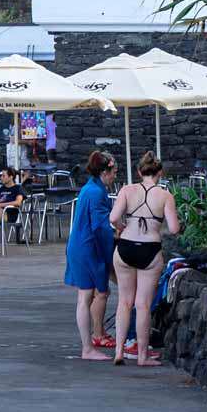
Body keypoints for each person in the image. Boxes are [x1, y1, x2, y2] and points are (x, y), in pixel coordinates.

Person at [109, 152, 181, 367]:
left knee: (124, 302)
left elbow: (113, 218)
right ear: (160, 173)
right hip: (150, 249)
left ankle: (119, 352)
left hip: (125, 247)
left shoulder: (127, 190)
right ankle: (142, 356)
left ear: (139, 172)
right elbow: (174, 228)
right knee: (143, 305)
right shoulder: (166, 195)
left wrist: (123, 227)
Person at [65, 150, 119, 360]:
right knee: (86, 296)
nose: (115, 175)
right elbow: (100, 226)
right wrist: (118, 234)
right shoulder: (96, 192)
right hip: (88, 247)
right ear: (104, 172)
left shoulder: (92, 188)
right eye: (114, 172)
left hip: (81, 245)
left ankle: (91, 342)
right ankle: (87, 348)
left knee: (88, 295)